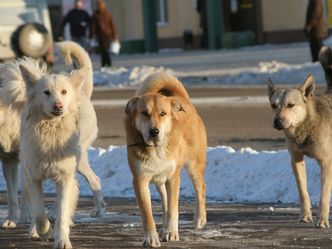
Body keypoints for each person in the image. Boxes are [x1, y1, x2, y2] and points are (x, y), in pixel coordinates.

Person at [89, 0, 118, 67]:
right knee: (103, 50)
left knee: (105, 51)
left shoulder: (108, 14)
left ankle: (106, 64)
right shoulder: (95, 15)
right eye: (99, 5)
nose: (100, 7)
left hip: (108, 36)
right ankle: (106, 64)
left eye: (101, 5)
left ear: (104, 6)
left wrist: (115, 36)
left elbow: (112, 25)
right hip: (100, 37)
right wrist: (91, 36)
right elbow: (93, 27)